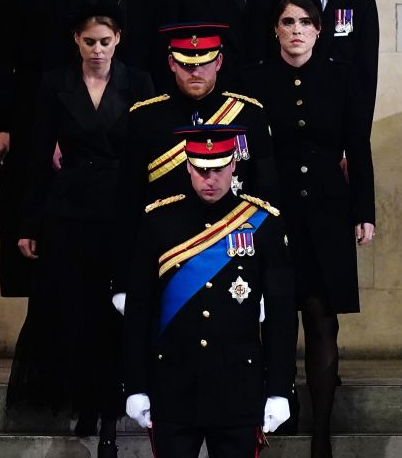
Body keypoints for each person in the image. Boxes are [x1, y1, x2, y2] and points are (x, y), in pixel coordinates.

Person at [5, 3, 154, 458]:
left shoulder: (139, 82)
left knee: (116, 313)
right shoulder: (55, 83)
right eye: (89, 41)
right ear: (76, 41)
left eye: (105, 41)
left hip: (123, 209)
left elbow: (151, 153)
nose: (97, 50)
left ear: (118, 41)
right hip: (68, 209)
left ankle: (109, 417)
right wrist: (29, 223)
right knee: (74, 309)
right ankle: (81, 404)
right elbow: (37, 156)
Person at [246, 0, 375, 458]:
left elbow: (357, 150)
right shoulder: (254, 79)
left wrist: (364, 212)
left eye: (304, 22)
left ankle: (322, 434)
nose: (296, 31)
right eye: (287, 22)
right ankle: (281, 402)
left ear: (319, 31)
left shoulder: (342, 78)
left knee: (322, 321)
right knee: (273, 317)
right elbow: (247, 152)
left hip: (327, 210)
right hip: (272, 212)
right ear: (275, 30)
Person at [123, 125, 296, 458]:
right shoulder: (158, 221)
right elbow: (139, 311)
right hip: (173, 385)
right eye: (201, 169)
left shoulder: (263, 223)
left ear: (234, 164)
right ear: (188, 166)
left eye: (218, 168)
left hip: (237, 388)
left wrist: (278, 389)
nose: (210, 179)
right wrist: (135, 385)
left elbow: (281, 314)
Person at [113, 22, 279, 301]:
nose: (196, 71)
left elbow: (266, 197)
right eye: (187, 64)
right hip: (166, 258)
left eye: (204, 63)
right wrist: (122, 281)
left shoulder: (248, 115)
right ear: (171, 63)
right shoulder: (145, 118)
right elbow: (127, 203)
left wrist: (266, 279)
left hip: (232, 257)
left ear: (219, 62)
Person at [0, 0, 81, 297]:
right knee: (32, 211)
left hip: (83, 112)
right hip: (29, 116)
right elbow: (1, 61)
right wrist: (0, 125)